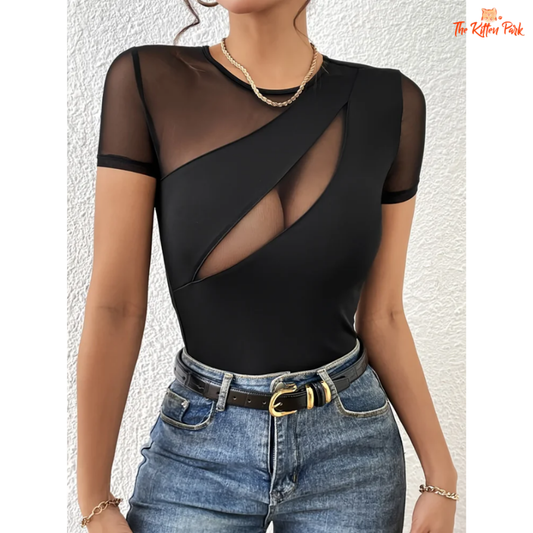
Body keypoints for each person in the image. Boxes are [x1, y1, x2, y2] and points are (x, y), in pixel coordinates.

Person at [76, 0, 459, 531]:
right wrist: (94, 499)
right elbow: (115, 307)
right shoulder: (147, 81)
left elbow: (384, 315)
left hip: (352, 453)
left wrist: (441, 475)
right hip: (199, 452)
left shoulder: (392, 102)